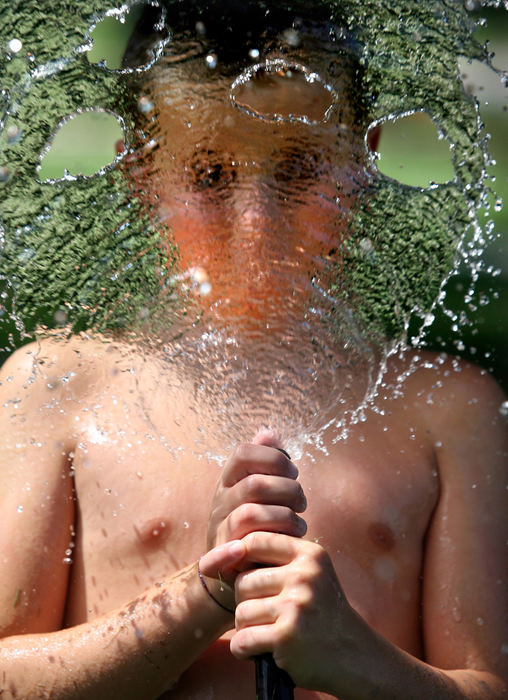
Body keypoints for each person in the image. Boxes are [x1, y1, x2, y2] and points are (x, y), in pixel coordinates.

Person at [0, 4, 507, 699]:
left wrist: (354, 656)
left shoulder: (447, 413)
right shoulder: (59, 388)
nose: (256, 222)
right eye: (208, 175)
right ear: (142, 179)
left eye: (300, 168)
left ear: (362, 163)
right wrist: (197, 599)